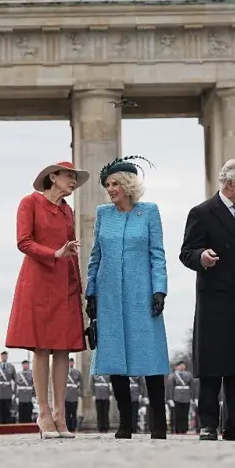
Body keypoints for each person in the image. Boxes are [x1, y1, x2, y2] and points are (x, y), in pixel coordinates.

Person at [179, 158, 235, 442]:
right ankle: (208, 424)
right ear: (230, 184)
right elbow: (186, 252)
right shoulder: (202, 212)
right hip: (216, 299)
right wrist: (201, 257)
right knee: (213, 365)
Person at [86, 156, 171, 440]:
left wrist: (159, 289)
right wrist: (91, 292)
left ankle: (159, 423)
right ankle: (126, 422)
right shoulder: (103, 214)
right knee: (114, 357)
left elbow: (157, 254)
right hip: (109, 294)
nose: (110, 189)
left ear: (128, 185)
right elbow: (95, 256)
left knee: (150, 356)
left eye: (114, 184)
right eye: (107, 185)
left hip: (141, 294)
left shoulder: (148, 212)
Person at [6, 160, 90, 439]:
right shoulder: (29, 202)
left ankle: (60, 415)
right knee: (41, 347)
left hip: (64, 282)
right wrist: (54, 254)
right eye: (69, 176)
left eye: (75, 178)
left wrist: (78, 287)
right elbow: (23, 241)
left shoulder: (68, 210)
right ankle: (43, 414)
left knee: (64, 348)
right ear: (53, 177)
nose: (73, 181)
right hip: (38, 280)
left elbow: (72, 249)